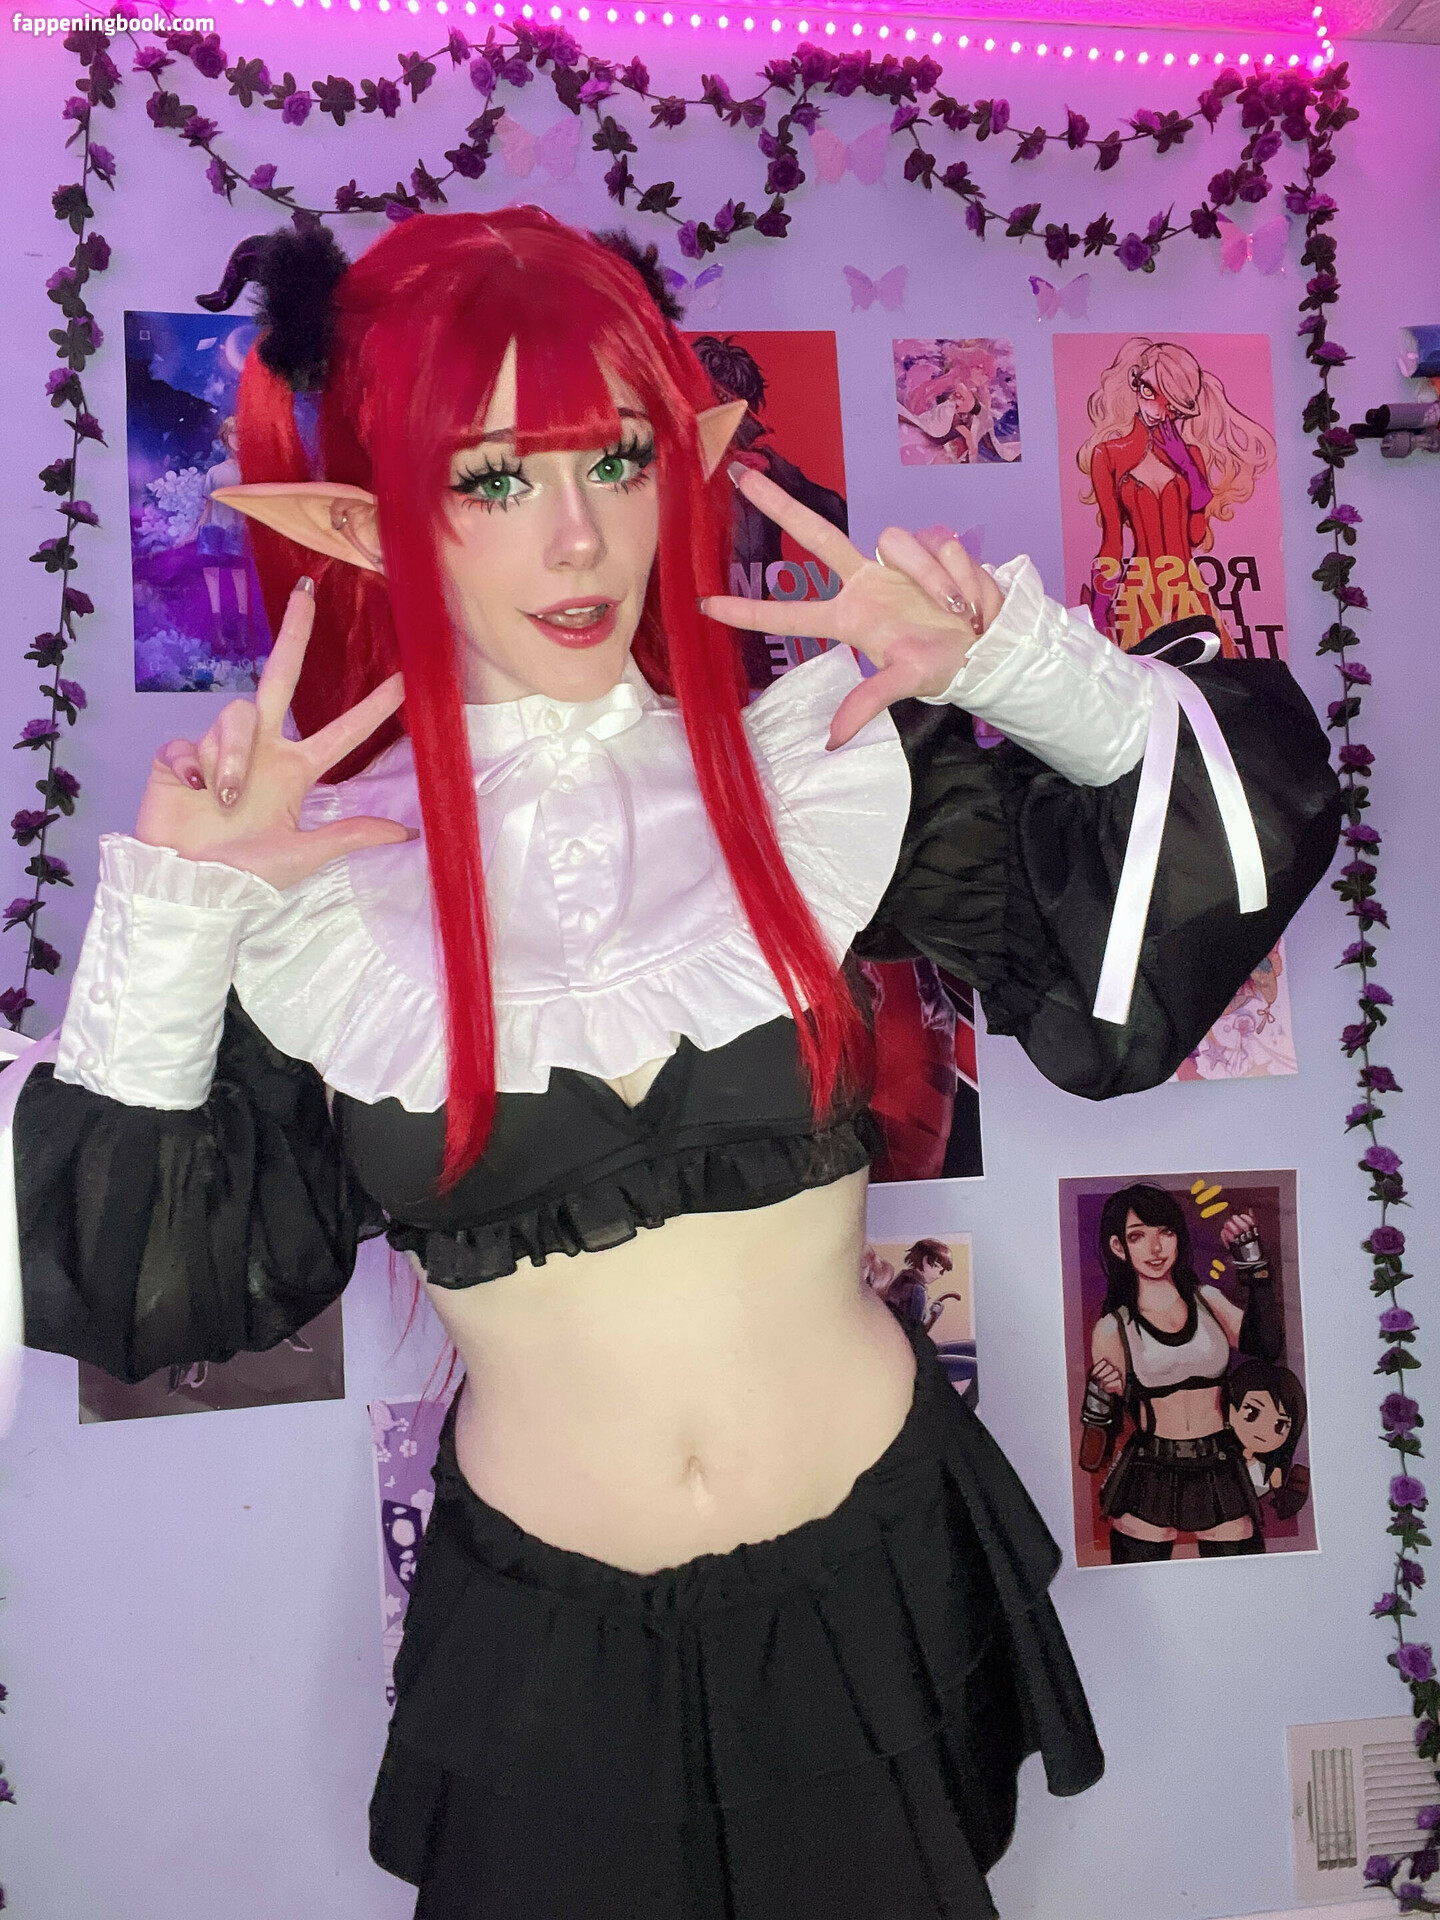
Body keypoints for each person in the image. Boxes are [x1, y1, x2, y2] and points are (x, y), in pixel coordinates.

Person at [4, 208, 1340, 1917]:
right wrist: (179, 916)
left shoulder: (812, 765)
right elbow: (148, 1280)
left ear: (678, 467)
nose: (576, 536)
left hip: (876, 1567)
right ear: (369, 519)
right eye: (493, 478)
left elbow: (1149, 952)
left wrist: (1020, 666)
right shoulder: (318, 878)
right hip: (547, 1637)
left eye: (617, 459)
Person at [1079, 1187, 1284, 1562]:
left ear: (1178, 1238)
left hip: (1219, 1463)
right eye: (1138, 1236)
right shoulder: (1112, 1328)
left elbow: (1267, 1345)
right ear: (1118, 1247)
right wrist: (1101, 1397)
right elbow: (1094, 1453)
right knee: (1140, 1580)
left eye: (1166, 1232)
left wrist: (1253, 1264)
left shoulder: (1207, 1300)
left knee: (1242, 1580)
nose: (1155, 1248)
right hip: (1150, 1470)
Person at [1076, 336, 1277, 650]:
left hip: (1188, 589)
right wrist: (1099, 612)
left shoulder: (1191, 456)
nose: (1158, 411)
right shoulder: (1108, 455)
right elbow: (1112, 541)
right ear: (1135, 383)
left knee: (1213, 676)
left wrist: (1186, 464)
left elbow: (1196, 536)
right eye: (1149, 391)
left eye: (1170, 403)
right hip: (1140, 593)